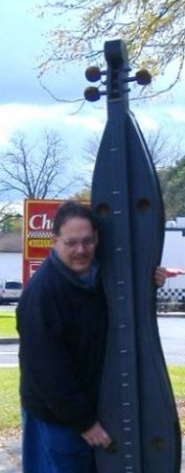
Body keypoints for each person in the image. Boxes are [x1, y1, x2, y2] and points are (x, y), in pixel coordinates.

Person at [16, 201, 167, 473]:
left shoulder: (101, 279)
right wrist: (84, 423)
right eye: (71, 242)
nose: (81, 250)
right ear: (55, 241)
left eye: (88, 241)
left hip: (93, 408)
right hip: (56, 419)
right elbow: (47, 372)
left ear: (97, 239)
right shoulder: (42, 295)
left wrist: (147, 282)